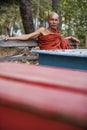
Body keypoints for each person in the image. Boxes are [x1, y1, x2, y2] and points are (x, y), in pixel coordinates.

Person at [2, 12, 80, 50]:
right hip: (47, 56)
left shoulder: (57, 32)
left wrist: (70, 37)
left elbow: (59, 41)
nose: (54, 22)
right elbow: (27, 36)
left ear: (58, 21)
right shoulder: (42, 30)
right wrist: (10, 38)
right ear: (48, 20)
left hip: (58, 54)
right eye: (52, 20)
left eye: (56, 20)